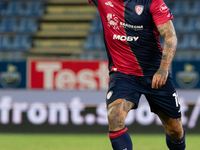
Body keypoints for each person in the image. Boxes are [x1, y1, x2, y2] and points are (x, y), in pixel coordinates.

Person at [88, 0, 186, 149]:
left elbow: (170, 36)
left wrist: (163, 69)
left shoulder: (152, 2)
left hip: (155, 74)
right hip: (123, 75)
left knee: (175, 130)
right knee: (114, 116)